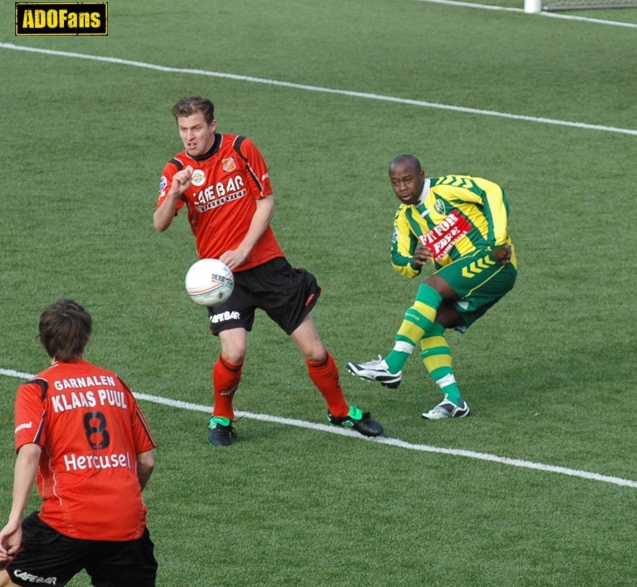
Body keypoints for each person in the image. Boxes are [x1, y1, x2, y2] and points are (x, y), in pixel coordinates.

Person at [154, 96, 383, 446]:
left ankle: (340, 412)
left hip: (267, 266)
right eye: (184, 130)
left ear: (212, 126)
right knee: (234, 351)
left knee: (314, 351)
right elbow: (160, 224)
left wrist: (244, 248)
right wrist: (174, 194)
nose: (190, 136)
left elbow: (266, 202)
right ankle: (222, 417)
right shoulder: (176, 170)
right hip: (223, 278)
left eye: (196, 128)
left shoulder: (241, 149)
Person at [0, 299, 158, 587]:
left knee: (4, 578)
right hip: (126, 522)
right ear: (86, 338)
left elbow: (30, 452)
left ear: (44, 341)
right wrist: (121, 500)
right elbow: (146, 460)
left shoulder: (38, 389)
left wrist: (14, 521)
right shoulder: (116, 383)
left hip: (67, 521)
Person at [347, 155, 517, 419]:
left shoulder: (446, 188)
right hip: (468, 280)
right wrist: (412, 261)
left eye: (407, 180)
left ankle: (392, 365)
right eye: (395, 183)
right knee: (430, 325)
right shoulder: (404, 217)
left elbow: (491, 190)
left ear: (421, 176)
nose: (402, 188)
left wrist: (497, 242)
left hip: (494, 261)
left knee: (432, 288)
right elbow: (398, 259)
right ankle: (455, 400)